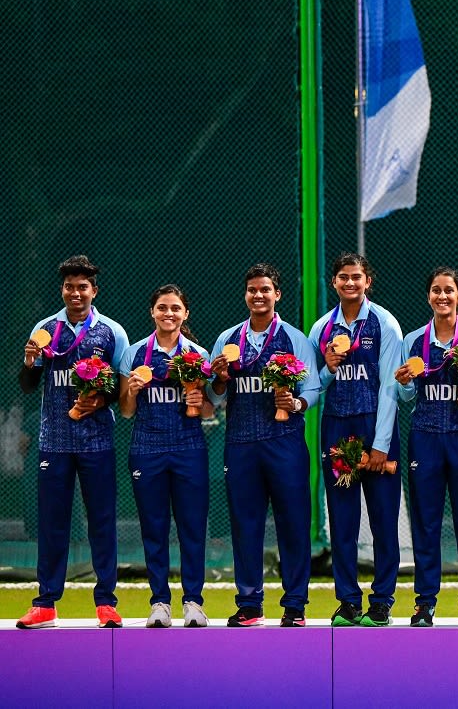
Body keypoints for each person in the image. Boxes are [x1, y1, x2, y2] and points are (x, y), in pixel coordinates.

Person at [16, 255, 130, 629]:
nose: (76, 292)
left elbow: (121, 385)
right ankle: (46, 602)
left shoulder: (112, 332)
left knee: (101, 521)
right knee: (52, 522)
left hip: (97, 440)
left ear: (94, 291)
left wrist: (102, 397)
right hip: (54, 440)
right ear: (62, 290)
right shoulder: (45, 329)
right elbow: (28, 384)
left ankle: (106, 602)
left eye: (83, 286)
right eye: (69, 286)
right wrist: (31, 363)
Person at [210, 263, 322, 627]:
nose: (259, 295)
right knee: (245, 524)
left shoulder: (294, 338)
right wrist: (221, 379)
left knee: (293, 522)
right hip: (240, 442)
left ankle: (294, 605)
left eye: (266, 289)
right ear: (246, 294)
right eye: (253, 289)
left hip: (284, 442)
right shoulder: (228, 339)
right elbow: (212, 393)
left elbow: (313, 387)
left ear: (278, 295)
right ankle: (249, 604)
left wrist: (298, 404)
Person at [308, 253, 404, 627]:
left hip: (375, 428)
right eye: (343, 278)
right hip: (336, 428)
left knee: (383, 522)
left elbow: (390, 387)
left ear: (368, 282)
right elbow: (313, 382)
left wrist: (380, 443)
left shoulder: (385, 324)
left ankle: (382, 601)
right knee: (342, 523)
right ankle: (348, 601)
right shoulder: (321, 328)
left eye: (356, 277)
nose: (349, 283)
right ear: (334, 282)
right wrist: (328, 369)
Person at [395, 267, 458, 627]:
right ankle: (425, 602)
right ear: (428, 297)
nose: (442, 296)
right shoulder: (413, 341)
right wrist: (404, 382)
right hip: (425, 437)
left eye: (449, 290)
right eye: (436, 290)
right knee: (426, 523)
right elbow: (406, 395)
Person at [117, 285, 211, 627]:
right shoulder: (134, 354)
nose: (168, 313)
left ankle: (194, 602)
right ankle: (159, 602)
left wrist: (199, 403)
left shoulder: (198, 354)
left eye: (175, 308)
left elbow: (211, 409)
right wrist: (131, 391)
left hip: (189, 449)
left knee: (192, 528)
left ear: (185, 314)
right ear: (152, 312)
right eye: (162, 307)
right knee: (154, 528)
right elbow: (126, 411)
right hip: (146, 449)